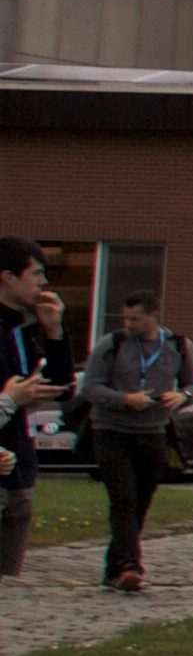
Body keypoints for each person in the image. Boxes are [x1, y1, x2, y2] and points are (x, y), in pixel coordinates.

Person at [83, 285, 191, 593]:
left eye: (135, 319)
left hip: (153, 431)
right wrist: (125, 399)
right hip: (112, 430)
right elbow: (90, 387)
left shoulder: (179, 345)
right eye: (126, 318)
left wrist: (182, 396)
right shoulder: (112, 344)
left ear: (154, 315)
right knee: (123, 497)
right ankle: (131, 565)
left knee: (141, 500)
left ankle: (114, 568)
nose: (128, 324)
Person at [0, 237, 59, 583]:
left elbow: (60, 387)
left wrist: (54, 332)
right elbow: (14, 394)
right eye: (35, 273)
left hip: (18, 469)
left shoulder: (20, 329)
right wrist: (11, 399)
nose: (43, 282)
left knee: (8, 588)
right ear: (8, 277)